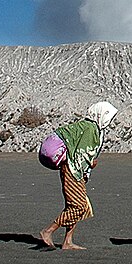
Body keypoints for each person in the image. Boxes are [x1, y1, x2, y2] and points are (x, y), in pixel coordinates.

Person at [39, 101, 117, 250]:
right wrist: (90, 164)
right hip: (73, 169)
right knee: (79, 206)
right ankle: (48, 231)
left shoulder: (91, 128)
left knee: (74, 204)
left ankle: (67, 241)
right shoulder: (90, 128)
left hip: (73, 168)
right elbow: (82, 153)